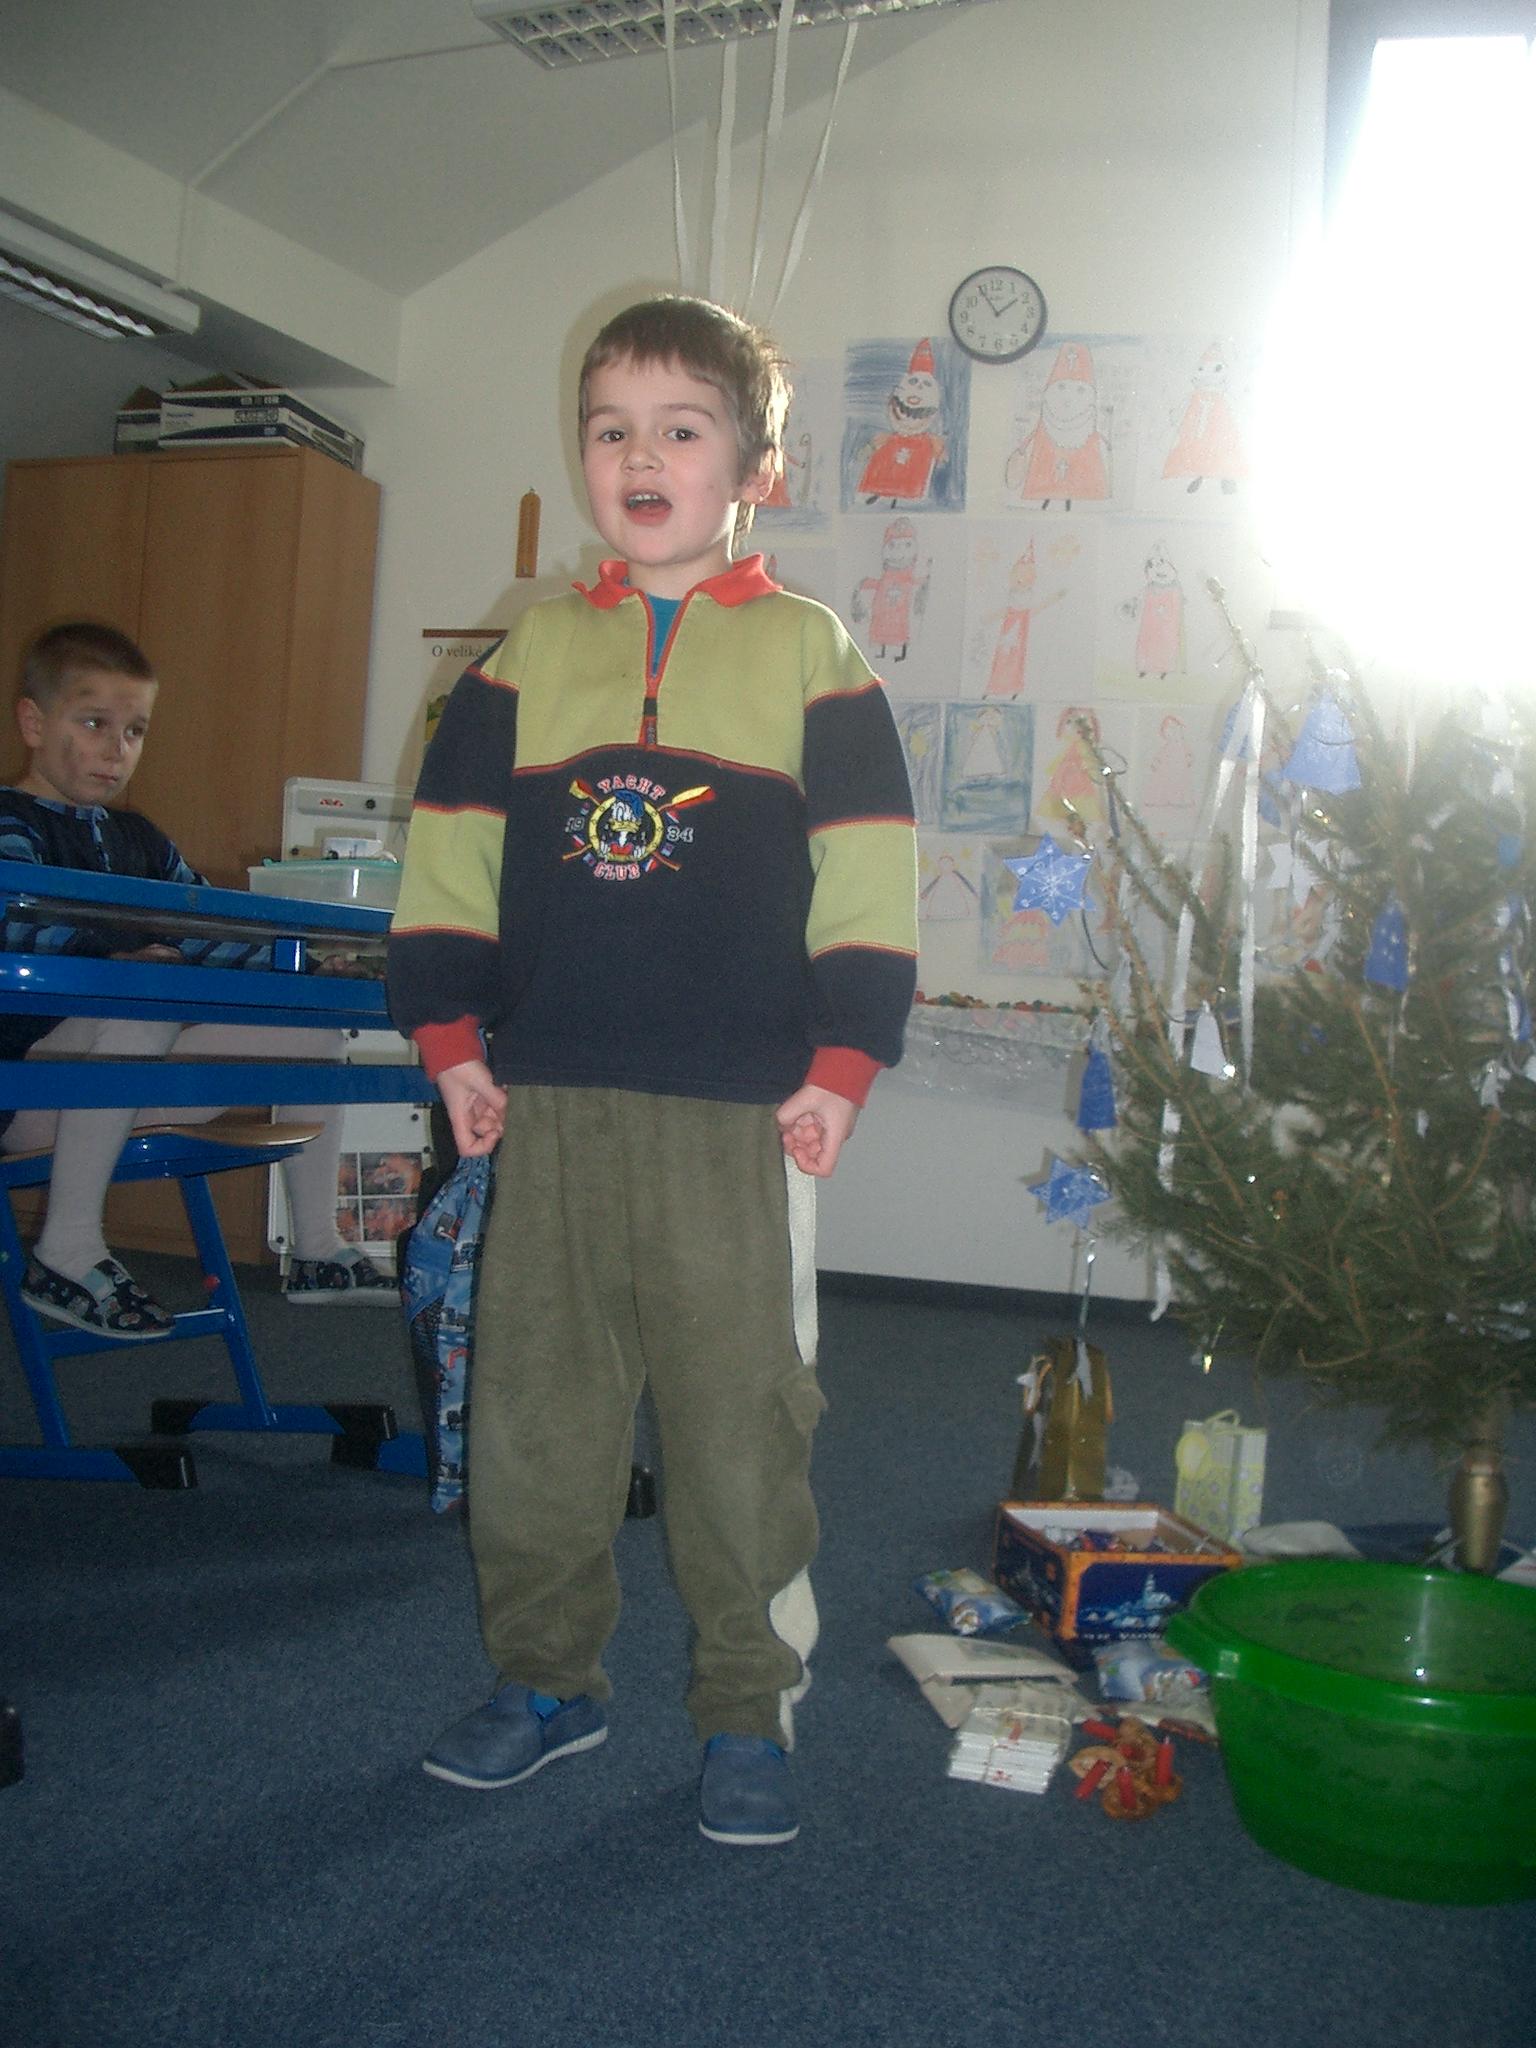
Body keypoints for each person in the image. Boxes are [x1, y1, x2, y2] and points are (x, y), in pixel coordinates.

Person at [387, 295, 918, 1847]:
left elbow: (869, 874)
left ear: (753, 468)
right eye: (611, 427)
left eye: (680, 429)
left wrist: (843, 1062)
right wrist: (451, 1044)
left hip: (738, 1117)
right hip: (548, 1103)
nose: (640, 455)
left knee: (740, 1428)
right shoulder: (527, 656)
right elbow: (449, 860)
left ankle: (748, 1700)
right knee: (536, 1423)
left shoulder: (812, 654)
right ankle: (547, 1679)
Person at [0, 621, 396, 1337]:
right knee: (141, 1004)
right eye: (94, 723)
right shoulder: (9, 824)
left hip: (125, 1078)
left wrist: (305, 962)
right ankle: (66, 1251)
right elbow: (20, 929)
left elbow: (212, 934)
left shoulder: (140, 839)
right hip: (28, 1091)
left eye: (135, 731)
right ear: (33, 723)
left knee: (315, 1036)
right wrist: (114, 962)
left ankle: (315, 1249)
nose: (116, 749)